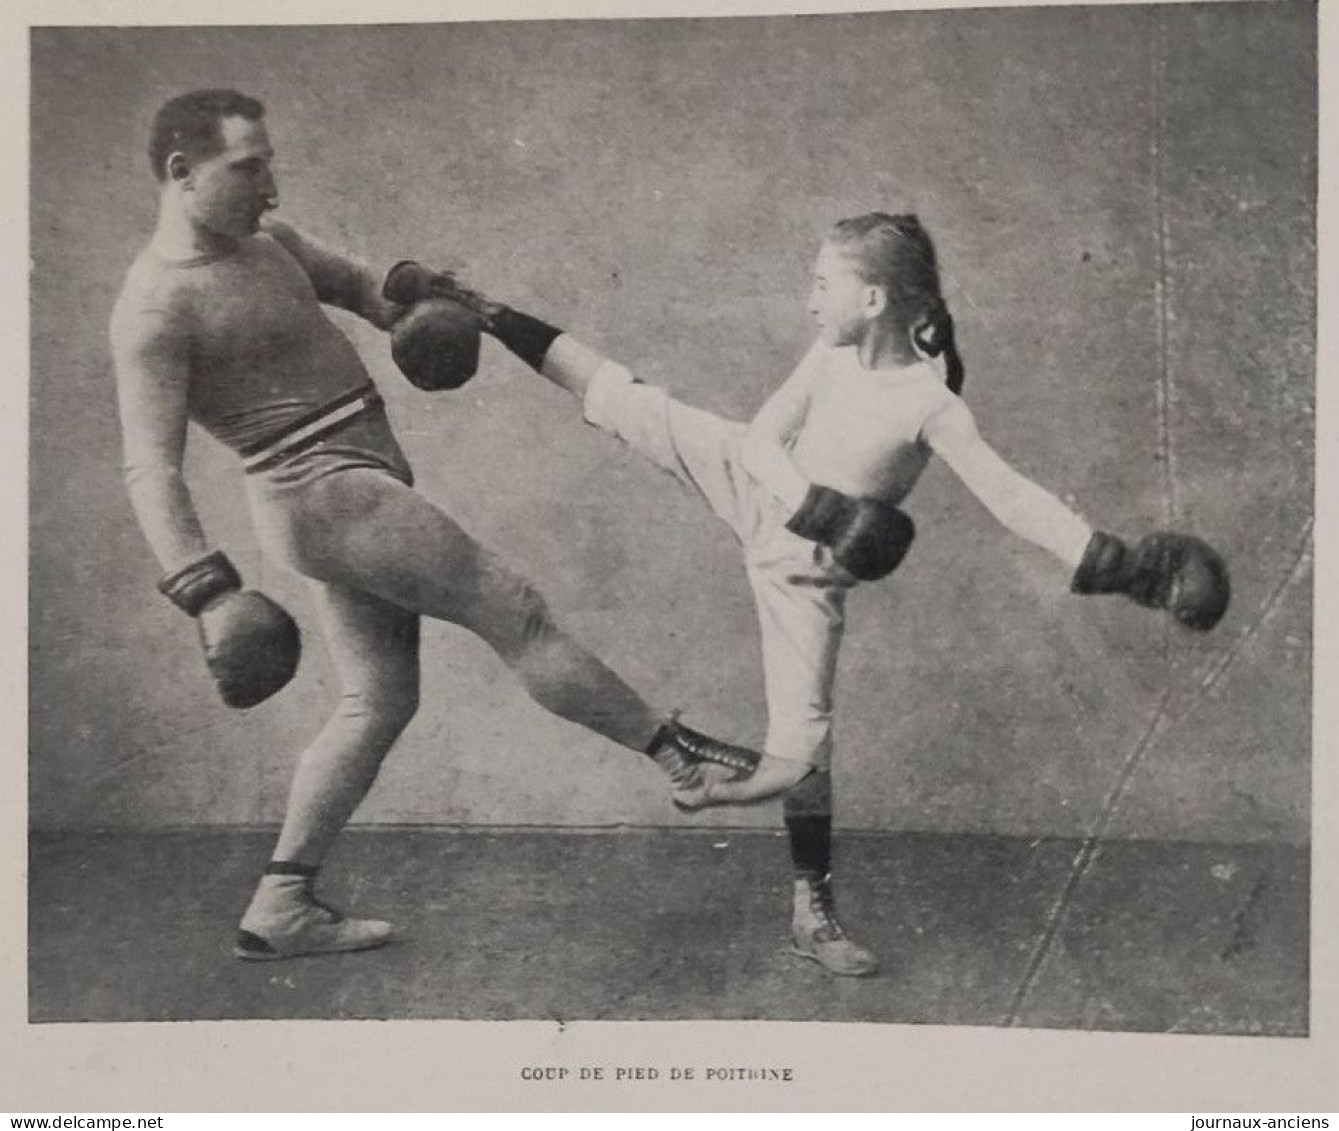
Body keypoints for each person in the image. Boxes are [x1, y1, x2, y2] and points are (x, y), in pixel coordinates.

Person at [387, 211, 1230, 977]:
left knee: (800, 754)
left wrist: (1115, 564)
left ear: (870, 297)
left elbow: (1008, 495)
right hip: (760, 491)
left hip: (803, 572)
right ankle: (475, 303)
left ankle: (807, 907)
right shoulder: (831, 350)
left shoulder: (929, 401)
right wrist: (815, 505)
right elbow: (758, 438)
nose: (806, 300)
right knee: (620, 397)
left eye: (821, 285)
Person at [108, 89, 794, 962]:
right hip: (320, 491)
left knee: (377, 698)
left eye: (268, 162)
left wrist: (423, 306)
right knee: (514, 607)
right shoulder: (153, 308)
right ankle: (678, 755)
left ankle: (280, 903)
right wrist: (206, 591)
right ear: (181, 172)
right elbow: (148, 465)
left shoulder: (268, 243)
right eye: (248, 168)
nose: (270, 187)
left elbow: (361, 286)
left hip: (352, 478)